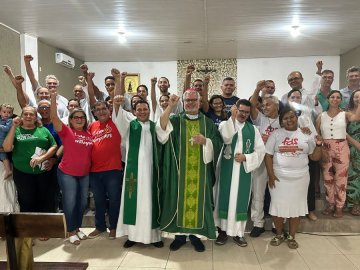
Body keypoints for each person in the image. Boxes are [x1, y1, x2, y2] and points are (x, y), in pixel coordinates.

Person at [156, 90, 223, 252]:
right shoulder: (175, 120)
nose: (191, 103)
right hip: (179, 174)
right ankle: (179, 237)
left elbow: (218, 144)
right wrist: (170, 106)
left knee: (199, 203)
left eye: (194, 100)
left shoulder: (207, 123)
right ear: (183, 103)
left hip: (201, 173)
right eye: (187, 100)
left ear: (200, 103)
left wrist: (206, 141)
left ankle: (195, 237)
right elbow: (161, 128)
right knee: (178, 202)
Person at [265, 107, 322, 249]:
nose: (289, 120)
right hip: (279, 178)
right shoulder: (276, 135)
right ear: (281, 121)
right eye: (285, 118)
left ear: (296, 118)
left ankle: (291, 236)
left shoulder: (306, 135)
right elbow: (268, 155)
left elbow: (314, 157)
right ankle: (279, 234)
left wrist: (319, 144)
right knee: (278, 207)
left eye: (292, 117)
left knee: (296, 209)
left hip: (300, 178)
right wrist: (271, 175)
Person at [113, 95, 163, 248]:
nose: (142, 112)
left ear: (149, 111)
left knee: (150, 202)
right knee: (133, 202)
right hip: (133, 173)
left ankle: (155, 237)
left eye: (145, 109)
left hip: (151, 173)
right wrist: (116, 105)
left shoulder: (156, 126)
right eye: (139, 110)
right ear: (134, 111)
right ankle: (133, 236)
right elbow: (118, 120)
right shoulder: (129, 125)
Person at [214, 99, 265, 247]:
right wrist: (231, 118)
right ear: (235, 109)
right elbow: (226, 138)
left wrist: (246, 157)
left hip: (243, 170)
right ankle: (222, 232)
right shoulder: (225, 124)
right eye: (241, 111)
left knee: (240, 202)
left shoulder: (253, 129)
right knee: (223, 198)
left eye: (246, 112)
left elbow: (260, 151)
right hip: (225, 169)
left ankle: (238, 234)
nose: (243, 114)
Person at [50, 92, 93, 245]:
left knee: (82, 203)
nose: (80, 119)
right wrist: (53, 98)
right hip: (67, 173)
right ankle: (71, 231)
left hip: (84, 174)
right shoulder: (67, 132)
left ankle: (77, 227)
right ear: (71, 120)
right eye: (76, 117)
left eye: (82, 117)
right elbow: (54, 118)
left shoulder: (89, 134)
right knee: (70, 202)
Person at [86, 71, 123, 240]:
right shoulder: (92, 126)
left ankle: (114, 227)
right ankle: (100, 227)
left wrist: (118, 80)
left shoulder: (114, 120)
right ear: (94, 112)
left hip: (113, 170)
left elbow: (116, 100)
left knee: (115, 200)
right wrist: (89, 79)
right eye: (98, 109)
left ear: (109, 110)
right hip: (95, 172)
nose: (101, 111)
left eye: (104, 108)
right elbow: (91, 99)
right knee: (98, 202)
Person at [3, 106, 58, 213]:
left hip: (43, 173)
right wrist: (14, 127)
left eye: (31, 114)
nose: (28, 116)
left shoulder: (43, 130)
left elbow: (54, 146)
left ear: (36, 117)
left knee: (45, 201)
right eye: (26, 114)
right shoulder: (16, 130)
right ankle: (29, 228)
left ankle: (44, 228)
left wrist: (42, 157)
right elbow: (7, 148)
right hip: (22, 173)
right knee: (26, 202)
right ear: (21, 116)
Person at [316, 90, 360, 218]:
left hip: (342, 147)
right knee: (327, 178)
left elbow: (357, 117)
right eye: (332, 97)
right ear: (328, 99)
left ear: (341, 100)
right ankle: (330, 204)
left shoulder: (345, 114)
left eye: (338, 97)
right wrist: (322, 148)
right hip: (326, 148)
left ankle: (339, 206)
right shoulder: (321, 116)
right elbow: (317, 133)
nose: (335, 99)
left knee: (341, 178)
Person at [249, 81, 281, 237]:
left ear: (276, 106)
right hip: (261, 159)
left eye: (268, 105)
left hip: (278, 161)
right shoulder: (260, 118)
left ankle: (277, 223)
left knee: (277, 192)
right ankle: (257, 223)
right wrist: (257, 89)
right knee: (258, 192)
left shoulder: (283, 120)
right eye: (264, 105)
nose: (264, 107)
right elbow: (252, 104)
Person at [346, 90, 360, 215]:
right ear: (352, 99)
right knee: (353, 177)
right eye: (356, 97)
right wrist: (356, 144)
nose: (358, 99)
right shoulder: (347, 113)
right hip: (353, 149)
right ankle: (354, 204)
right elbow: (342, 132)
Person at [0, 104, 13, 179]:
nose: (6, 114)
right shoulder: (1, 120)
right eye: (4, 112)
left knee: (3, 155)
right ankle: (8, 170)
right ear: (0, 113)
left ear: (11, 114)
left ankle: (8, 170)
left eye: (9, 112)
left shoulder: (9, 120)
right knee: (2, 156)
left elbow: (7, 128)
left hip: (3, 141)